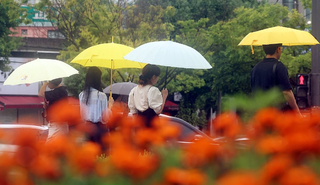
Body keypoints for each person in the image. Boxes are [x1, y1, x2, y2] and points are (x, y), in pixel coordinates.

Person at [251, 43, 301, 114]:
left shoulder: (255, 68)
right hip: (275, 114)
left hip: (259, 114)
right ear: (278, 49)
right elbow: (286, 93)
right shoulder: (279, 67)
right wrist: (297, 112)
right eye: (281, 49)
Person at [79, 67, 111, 149]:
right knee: (100, 155)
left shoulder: (82, 95)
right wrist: (110, 106)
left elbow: (81, 114)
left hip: (86, 128)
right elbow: (105, 118)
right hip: (99, 129)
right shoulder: (101, 96)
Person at [38, 78, 69, 143]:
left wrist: (45, 82)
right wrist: (47, 107)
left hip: (58, 124)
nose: (48, 85)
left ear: (52, 82)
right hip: (58, 124)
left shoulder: (59, 91)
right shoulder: (60, 91)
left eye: (49, 83)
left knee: (49, 147)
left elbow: (41, 94)